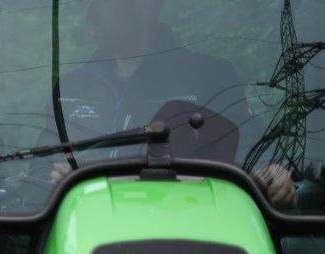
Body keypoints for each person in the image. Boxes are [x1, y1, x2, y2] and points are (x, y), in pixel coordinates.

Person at [50, 0, 296, 208]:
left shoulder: (211, 78)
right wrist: (52, 176)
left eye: (102, 3)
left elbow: (253, 155)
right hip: (84, 225)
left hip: (190, 224)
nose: (90, 12)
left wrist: (274, 176)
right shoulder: (71, 87)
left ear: (144, 7)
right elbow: (33, 170)